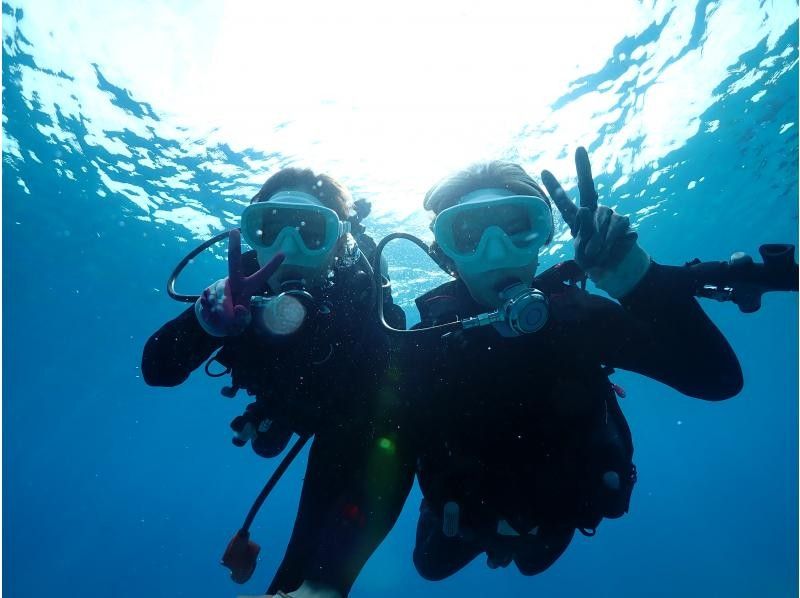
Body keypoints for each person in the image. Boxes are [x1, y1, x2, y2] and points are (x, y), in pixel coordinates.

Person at [403, 148, 744, 580]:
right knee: (430, 566)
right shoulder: (424, 345)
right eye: (469, 235)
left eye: (517, 230)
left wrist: (636, 279)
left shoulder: (580, 318)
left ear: (544, 238)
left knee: (534, 562)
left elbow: (716, 379)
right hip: (466, 517)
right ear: (444, 254)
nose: (496, 252)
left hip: (559, 512)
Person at [141, 168, 412, 598]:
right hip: (280, 400)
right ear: (253, 235)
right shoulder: (237, 288)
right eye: (271, 229)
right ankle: (269, 418)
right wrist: (202, 323)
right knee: (268, 441)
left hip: (343, 418)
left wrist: (324, 585)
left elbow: (394, 438)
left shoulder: (365, 298)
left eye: (312, 232)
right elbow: (158, 371)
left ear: (341, 241)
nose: (289, 250)